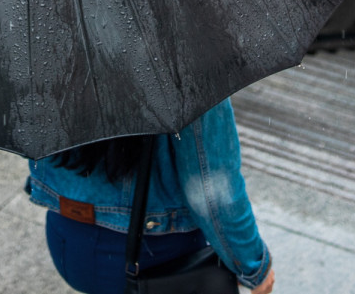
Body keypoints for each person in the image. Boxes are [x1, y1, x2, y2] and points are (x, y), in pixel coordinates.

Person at [26, 99, 274, 294]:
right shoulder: (187, 57)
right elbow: (212, 190)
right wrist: (253, 266)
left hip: (67, 242)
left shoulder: (46, 46)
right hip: (155, 257)